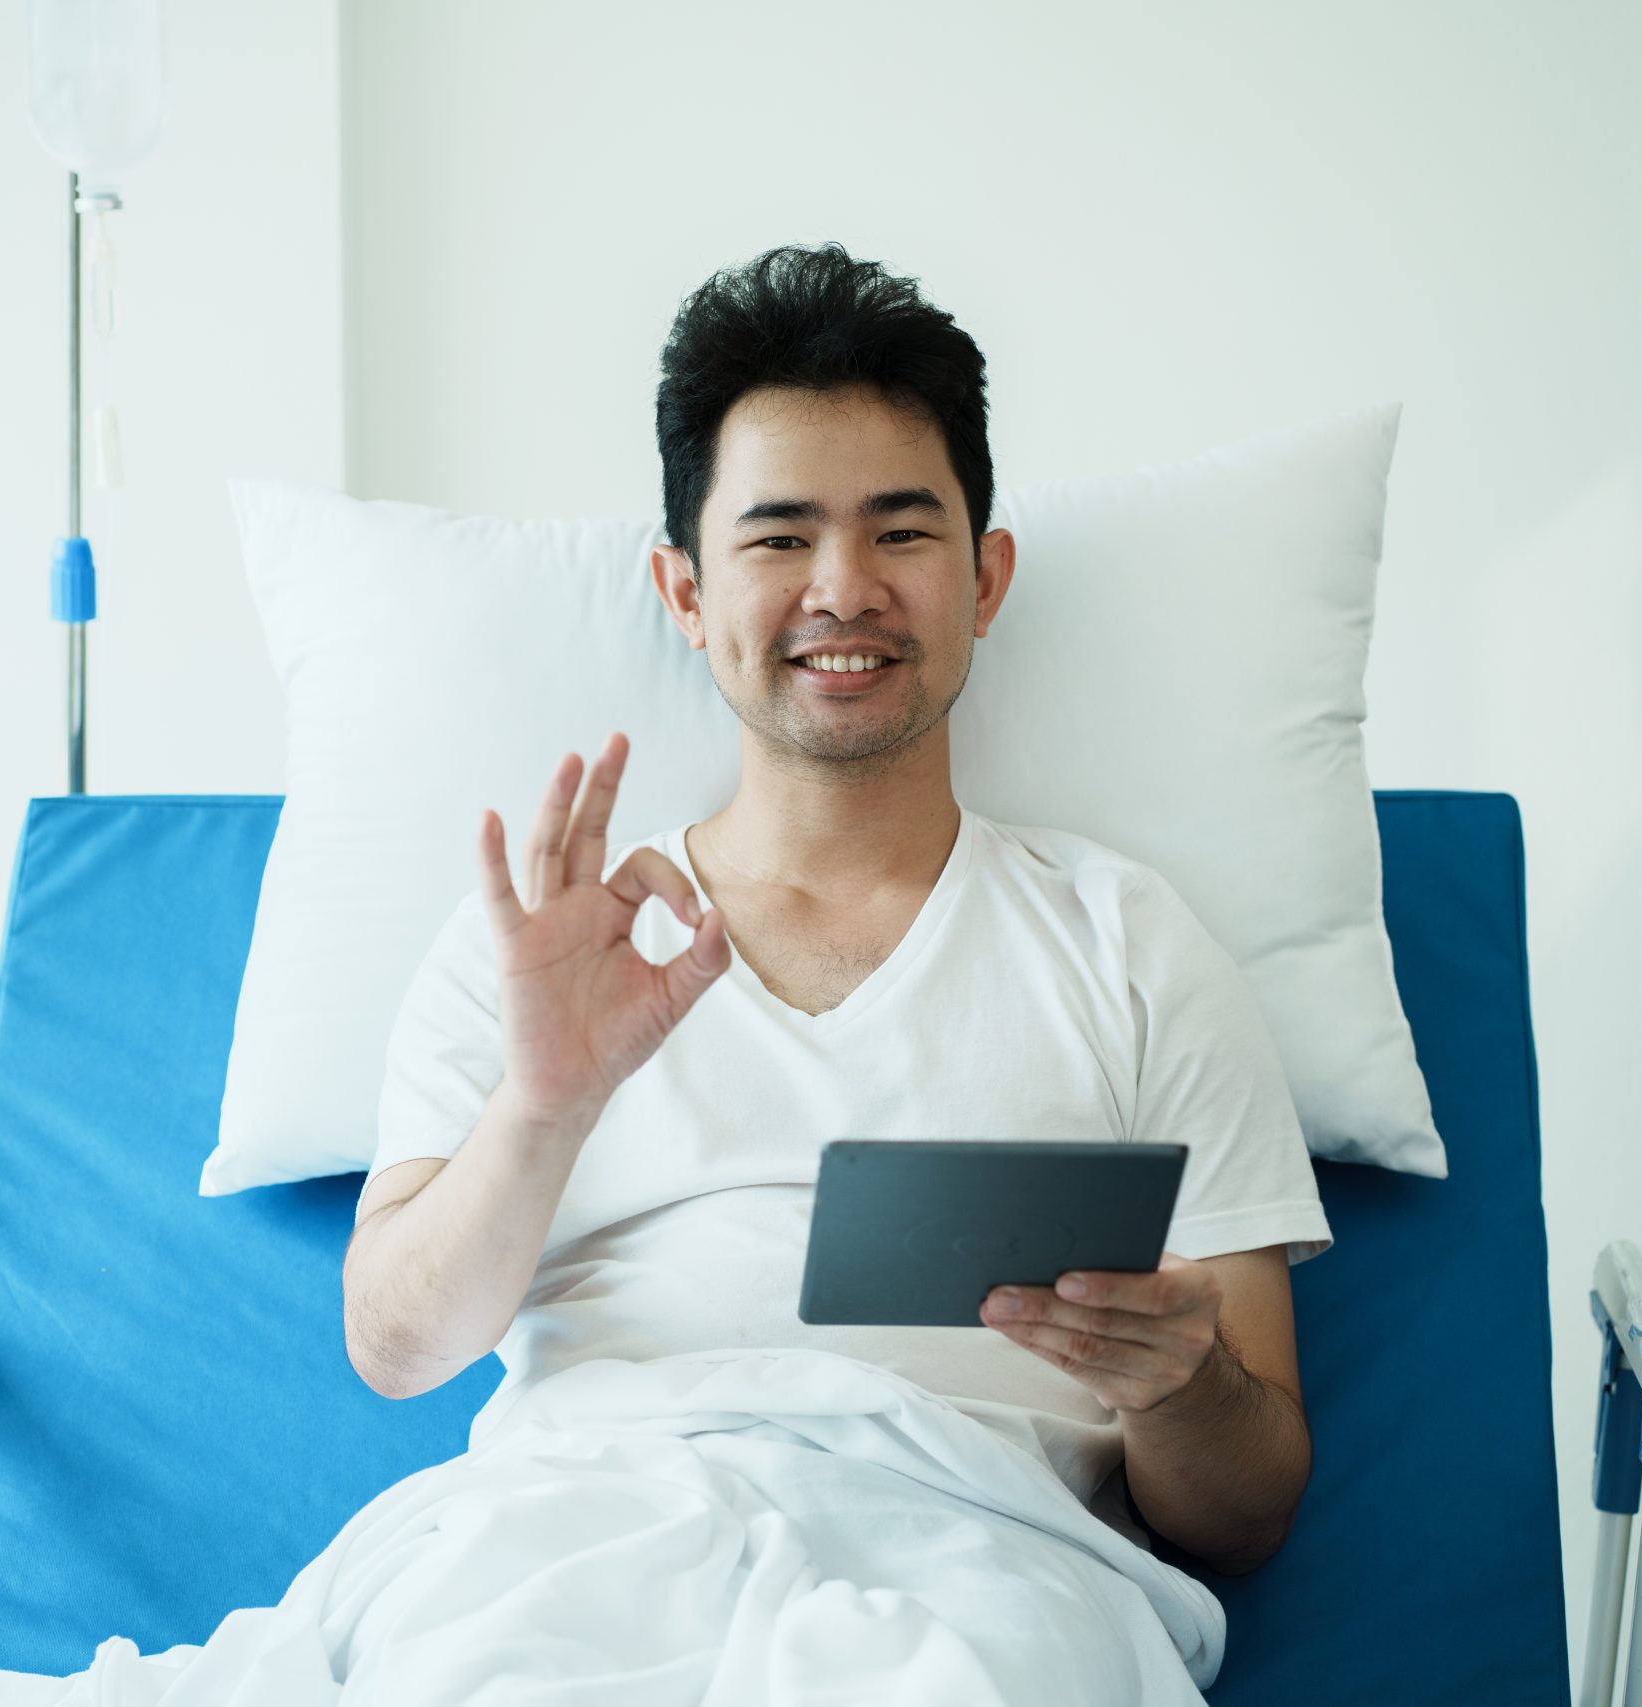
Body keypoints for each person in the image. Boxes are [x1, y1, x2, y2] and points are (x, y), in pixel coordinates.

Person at [341, 243, 1333, 1658]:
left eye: (902, 531)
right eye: (779, 536)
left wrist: (1177, 1387)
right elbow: (395, 1348)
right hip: (587, 1551)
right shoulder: (554, 946)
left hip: (988, 1576)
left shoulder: (1128, 947)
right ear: (684, 594)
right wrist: (544, 1104)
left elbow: (1246, 1516)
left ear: (986, 578)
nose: (844, 588)